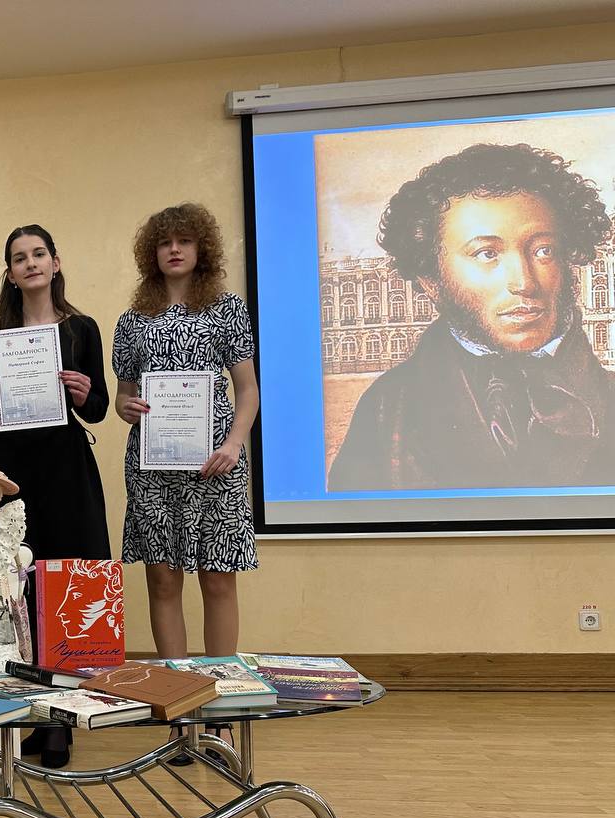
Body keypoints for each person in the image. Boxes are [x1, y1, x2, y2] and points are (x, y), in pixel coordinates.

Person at [329, 142, 615, 491]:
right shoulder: (386, 408)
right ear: (431, 281)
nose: (524, 282)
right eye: (486, 254)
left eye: (543, 250)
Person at [113, 203, 259, 760]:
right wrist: (127, 408)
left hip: (214, 464)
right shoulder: (133, 320)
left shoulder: (226, 308)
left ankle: (218, 714)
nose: (174, 250)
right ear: (151, 253)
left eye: (185, 241)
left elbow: (247, 390)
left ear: (202, 249)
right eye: (164, 242)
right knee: (163, 582)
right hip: (153, 468)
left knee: (218, 581)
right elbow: (125, 396)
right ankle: (179, 714)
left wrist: (234, 444)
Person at [0, 224, 111, 767]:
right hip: (16, 471)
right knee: (18, 588)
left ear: (55, 262)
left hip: (67, 469)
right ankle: (31, 712)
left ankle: (63, 722)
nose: (29, 263)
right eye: (18, 258)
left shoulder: (81, 327)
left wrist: (84, 392)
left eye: (38, 254)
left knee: (68, 587)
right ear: (9, 273)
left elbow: (97, 409)